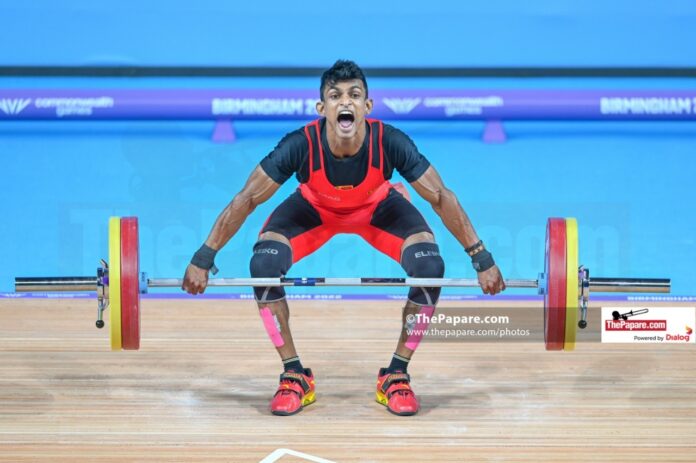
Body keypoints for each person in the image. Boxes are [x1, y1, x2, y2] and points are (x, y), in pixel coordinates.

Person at [182, 60, 505, 416]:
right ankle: (294, 374)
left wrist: (481, 257)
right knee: (263, 265)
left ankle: (396, 374)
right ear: (322, 108)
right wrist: (204, 256)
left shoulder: (390, 141)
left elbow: (441, 196)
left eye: (354, 94)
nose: (345, 102)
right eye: (335, 96)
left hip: (378, 211)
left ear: (368, 106)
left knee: (429, 267)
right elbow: (247, 198)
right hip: (314, 212)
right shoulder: (300, 145)